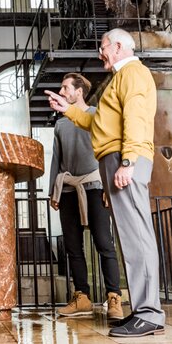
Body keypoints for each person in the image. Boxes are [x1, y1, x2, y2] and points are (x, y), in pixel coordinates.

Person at [45, 28, 165, 338]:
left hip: (124, 160)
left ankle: (149, 314)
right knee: (130, 238)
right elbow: (97, 124)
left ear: (119, 46)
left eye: (103, 47)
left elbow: (137, 118)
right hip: (115, 158)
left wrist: (128, 162)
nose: (101, 53)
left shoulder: (134, 74)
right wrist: (67, 110)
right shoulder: (119, 79)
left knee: (137, 236)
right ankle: (142, 311)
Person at [49, 73, 122, 319]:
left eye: (65, 87)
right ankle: (82, 297)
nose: (61, 91)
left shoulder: (95, 114)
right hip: (68, 188)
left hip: (95, 185)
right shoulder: (60, 124)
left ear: (79, 91)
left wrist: (109, 188)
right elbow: (56, 159)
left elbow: (107, 150)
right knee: (73, 246)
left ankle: (114, 297)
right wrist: (53, 191)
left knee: (104, 242)